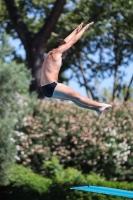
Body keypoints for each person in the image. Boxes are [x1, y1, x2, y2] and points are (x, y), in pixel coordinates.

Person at [40, 22, 112, 115]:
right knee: (78, 96)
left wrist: (75, 30)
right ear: (62, 48)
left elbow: (66, 41)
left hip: (45, 89)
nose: (67, 53)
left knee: (74, 98)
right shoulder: (58, 52)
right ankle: (99, 105)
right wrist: (83, 30)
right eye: (67, 50)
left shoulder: (51, 53)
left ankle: (96, 109)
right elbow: (72, 41)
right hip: (52, 86)